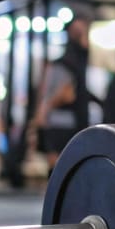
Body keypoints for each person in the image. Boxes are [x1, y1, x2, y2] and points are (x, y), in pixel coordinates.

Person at [30, 14, 93, 171]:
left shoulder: (74, 63)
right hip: (62, 123)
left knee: (63, 168)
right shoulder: (67, 63)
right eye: (81, 33)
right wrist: (44, 112)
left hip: (65, 122)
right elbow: (66, 94)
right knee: (60, 169)